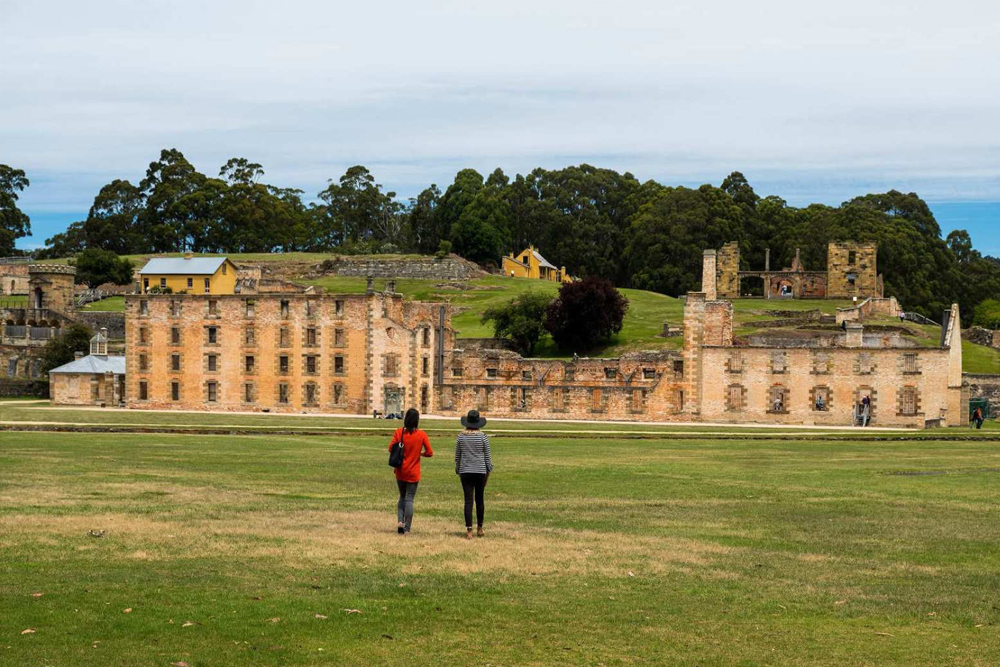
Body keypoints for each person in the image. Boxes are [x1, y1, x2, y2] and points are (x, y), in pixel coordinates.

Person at [388, 408, 433, 535]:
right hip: (413, 472)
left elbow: (391, 448)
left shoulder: (399, 432)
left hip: (400, 471)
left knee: (402, 497)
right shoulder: (421, 435)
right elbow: (430, 452)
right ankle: (407, 528)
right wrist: (420, 454)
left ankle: (400, 522)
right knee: (409, 499)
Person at [455, 409, 493, 539]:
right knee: (480, 499)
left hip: (465, 471)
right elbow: (487, 457)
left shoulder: (461, 436)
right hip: (480, 471)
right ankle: (480, 527)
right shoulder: (483, 437)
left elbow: (458, 456)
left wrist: (458, 469)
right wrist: (488, 471)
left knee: (468, 501)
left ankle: (469, 530)